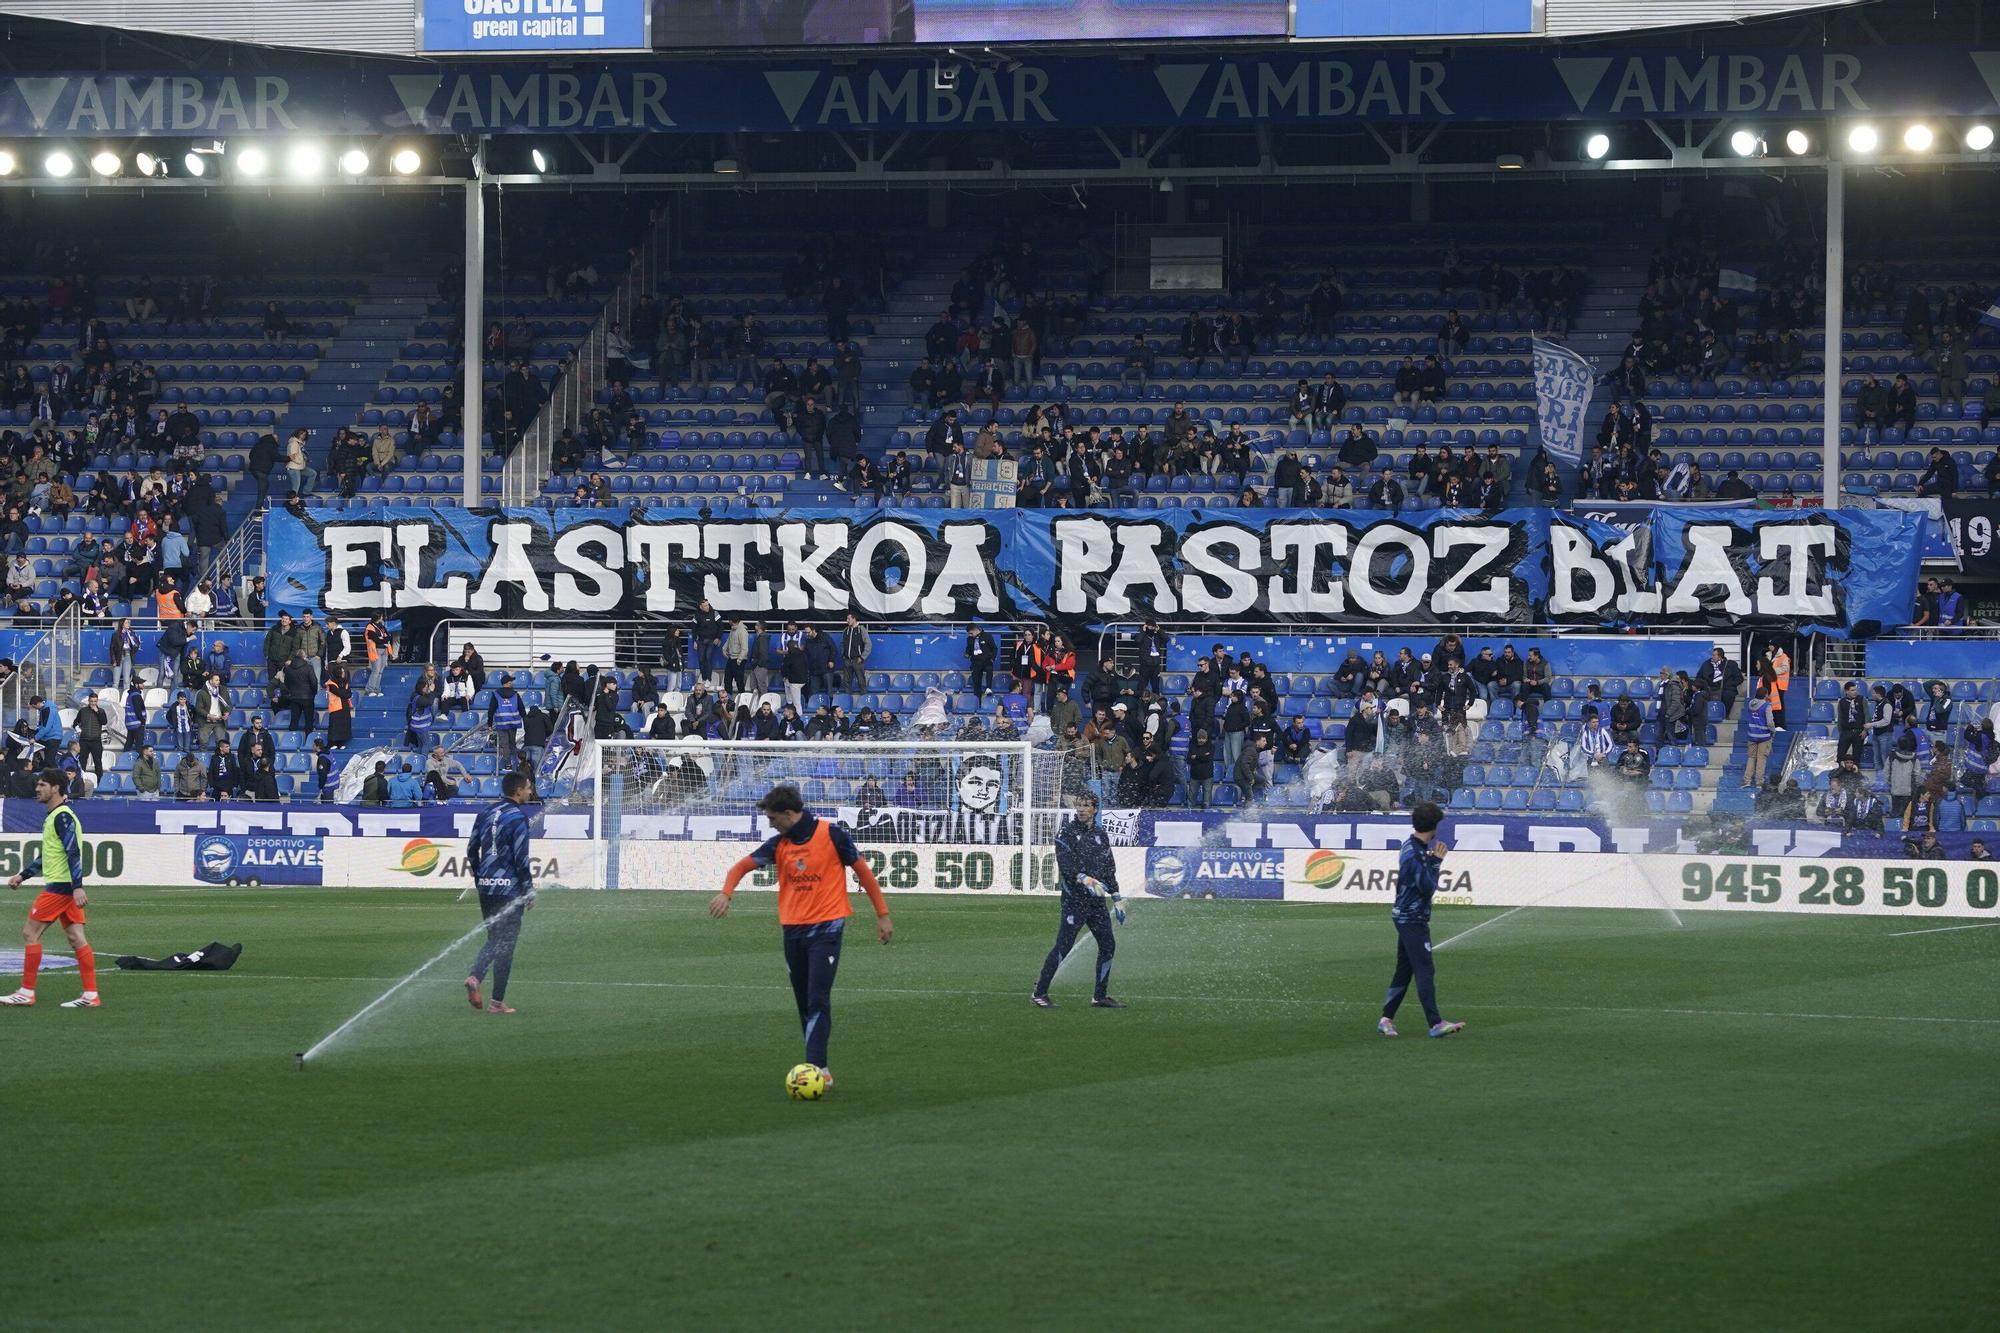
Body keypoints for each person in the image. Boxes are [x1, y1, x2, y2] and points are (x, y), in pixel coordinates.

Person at [708, 785, 892, 1088]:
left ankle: (816, 1067)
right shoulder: (779, 844)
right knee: (804, 1001)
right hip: (792, 930)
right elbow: (741, 866)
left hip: (827, 928)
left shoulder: (832, 835)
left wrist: (883, 915)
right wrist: (726, 894)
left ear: (789, 814)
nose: (770, 823)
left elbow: (864, 872)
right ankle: (820, 1065)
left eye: (772, 818)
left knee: (818, 997)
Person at [1, 770, 100, 1007]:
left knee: (30, 933)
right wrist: (23, 875)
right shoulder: (56, 815)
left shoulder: (62, 817)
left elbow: (73, 851)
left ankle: (26, 992)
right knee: (76, 938)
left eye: (42, 784)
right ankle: (91, 995)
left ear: (55, 788)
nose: (37, 788)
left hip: (60, 887)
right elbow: (48, 855)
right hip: (65, 886)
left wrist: (77, 887)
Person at [1030, 790, 1126, 1009]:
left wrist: (1117, 897)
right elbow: (1066, 866)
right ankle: (1039, 993)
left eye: (1086, 806)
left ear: (1095, 809)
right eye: (1079, 805)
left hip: (1096, 904)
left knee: (1108, 945)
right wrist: (1087, 880)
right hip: (1074, 901)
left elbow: (1109, 868)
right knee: (1063, 946)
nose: (1081, 809)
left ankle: (1099, 996)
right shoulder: (1066, 832)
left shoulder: (1101, 834)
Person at [1375, 801, 1464, 1039]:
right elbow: (1427, 888)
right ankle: (1435, 1023)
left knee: (1404, 971)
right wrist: (1436, 862)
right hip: (1411, 918)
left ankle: (1386, 1019)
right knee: (1425, 969)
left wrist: (1431, 859)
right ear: (1434, 827)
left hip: (1407, 916)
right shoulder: (1414, 854)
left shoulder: (1412, 846)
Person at [463, 772, 537, 1015]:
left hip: (487, 886)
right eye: (528, 788)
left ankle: (489, 993)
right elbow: (521, 858)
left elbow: (471, 848)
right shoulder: (518, 818)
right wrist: (528, 890)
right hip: (509, 889)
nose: (530, 792)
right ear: (517, 791)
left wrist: (479, 875)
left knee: (496, 939)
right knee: (506, 942)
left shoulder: (485, 812)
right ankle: (488, 992)